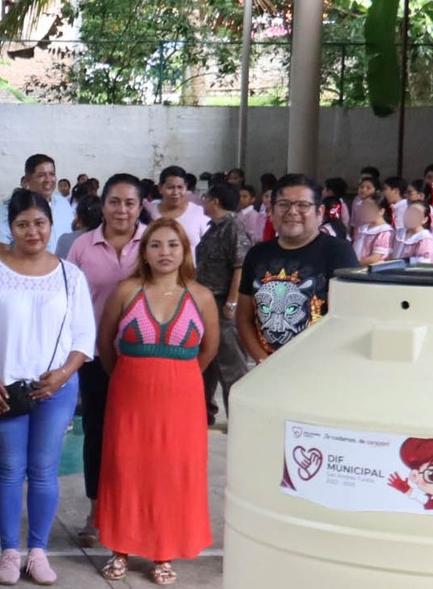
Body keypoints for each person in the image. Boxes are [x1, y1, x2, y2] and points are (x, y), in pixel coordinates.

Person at [0, 189, 95, 588]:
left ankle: (37, 551)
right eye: (23, 224)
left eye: (39, 223)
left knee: (43, 471)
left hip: (55, 391)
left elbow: (83, 336)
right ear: (11, 228)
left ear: (51, 226)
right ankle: (8, 551)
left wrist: (63, 374)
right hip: (3, 388)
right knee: (8, 469)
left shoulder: (70, 276)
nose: (32, 231)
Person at [95, 217, 217, 585]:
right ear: (143, 252)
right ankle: (120, 549)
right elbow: (105, 346)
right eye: (156, 245)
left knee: (173, 473)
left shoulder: (201, 296)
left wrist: (177, 375)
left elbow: (208, 350)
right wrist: (131, 377)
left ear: (185, 251)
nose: (165, 253)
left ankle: (164, 552)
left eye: (173, 245)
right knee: (126, 468)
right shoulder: (125, 291)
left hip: (182, 401)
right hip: (130, 396)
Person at [64, 174, 146, 546]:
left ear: (140, 205)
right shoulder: (82, 246)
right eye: (115, 201)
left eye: (130, 202)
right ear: (103, 204)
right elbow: (67, 301)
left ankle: (134, 512)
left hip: (143, 357)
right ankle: (97, 509)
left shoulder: (154, 242)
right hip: (95, 356)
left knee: (139, 437)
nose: (122, 209)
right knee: (96, 431)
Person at [236, 174, 361, 362]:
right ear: (272, 210)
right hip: (267, 369)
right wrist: (263, 361)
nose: (292, 211)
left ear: (319, 212)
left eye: (303, 205)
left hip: (319, 367)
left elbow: (350, 318)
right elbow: (244, 317)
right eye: (284, 204)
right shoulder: (257, 253)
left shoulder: (338, 252)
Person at [195, 181, 251, 428]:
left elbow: (240, 267)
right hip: (206, 304)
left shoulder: (234, 228)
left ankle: (239, 420)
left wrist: (232, 302)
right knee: (205, 363)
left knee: (231, 365)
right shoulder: (214, 228)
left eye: (206, 197)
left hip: (222, 304)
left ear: (215, 201)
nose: (203, 201)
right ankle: (203, 413)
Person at [0, 154, 76, 258]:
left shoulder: (63, 203)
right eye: (41, 175)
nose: (48, 180)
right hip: (31, 271)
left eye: (52, 174)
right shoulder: (11, 207)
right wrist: (17, 268)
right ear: (27, 179)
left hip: (63, 268)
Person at [151, 165, 210, 248]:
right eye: (170, 187)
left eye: (180, 187)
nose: (175, 192)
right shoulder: (151, 213)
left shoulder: (198, 213)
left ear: (186, 187)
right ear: (160, 188)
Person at [351, 193, 394, 267]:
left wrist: (353, 264)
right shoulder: (362, 229)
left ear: (381, 211)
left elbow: (375, 259)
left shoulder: (385, 232)